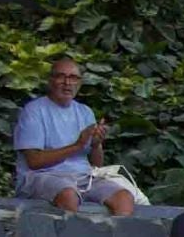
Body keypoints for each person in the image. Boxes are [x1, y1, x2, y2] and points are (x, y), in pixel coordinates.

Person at [11, 55, 135, 215]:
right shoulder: (34, 111)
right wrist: (77, 145)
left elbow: (96, 166)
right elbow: (34, 162)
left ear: (80, 83)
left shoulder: (85, 112)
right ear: (50, 81)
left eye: (73, 78)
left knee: (124, 197)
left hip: (82, 177)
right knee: (68, 194)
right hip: (41, 176)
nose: (67, 83)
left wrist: (96, 144)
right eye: (61, 76)